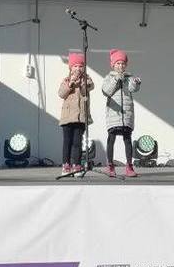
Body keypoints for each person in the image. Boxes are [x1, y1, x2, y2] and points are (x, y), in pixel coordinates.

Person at [100, 49, 141, 178]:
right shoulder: (109, 77)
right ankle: (110, 166)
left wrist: (136, 82)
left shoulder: (129, 77)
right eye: (118, 63)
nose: (120, 66)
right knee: (111, 139)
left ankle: (129, 166)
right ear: (113, 65)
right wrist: (116, 80)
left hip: (127, 115)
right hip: (114, 114)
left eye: (123, 63)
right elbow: (106, 91)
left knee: (127, 139)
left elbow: (133, 89)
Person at [58, 51, 93, 175]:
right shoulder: (66, 80)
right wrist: (70, 84)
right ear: (71, 68)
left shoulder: (87, 79)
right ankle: (66, 164)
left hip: (80, 117)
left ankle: (76, 164)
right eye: (75, 66)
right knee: (67, 142)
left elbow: (87, 90)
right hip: (67, 117)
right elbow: (61, 94)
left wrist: (82, 83)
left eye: (80, 66)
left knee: (77, 142)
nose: (78, 68)